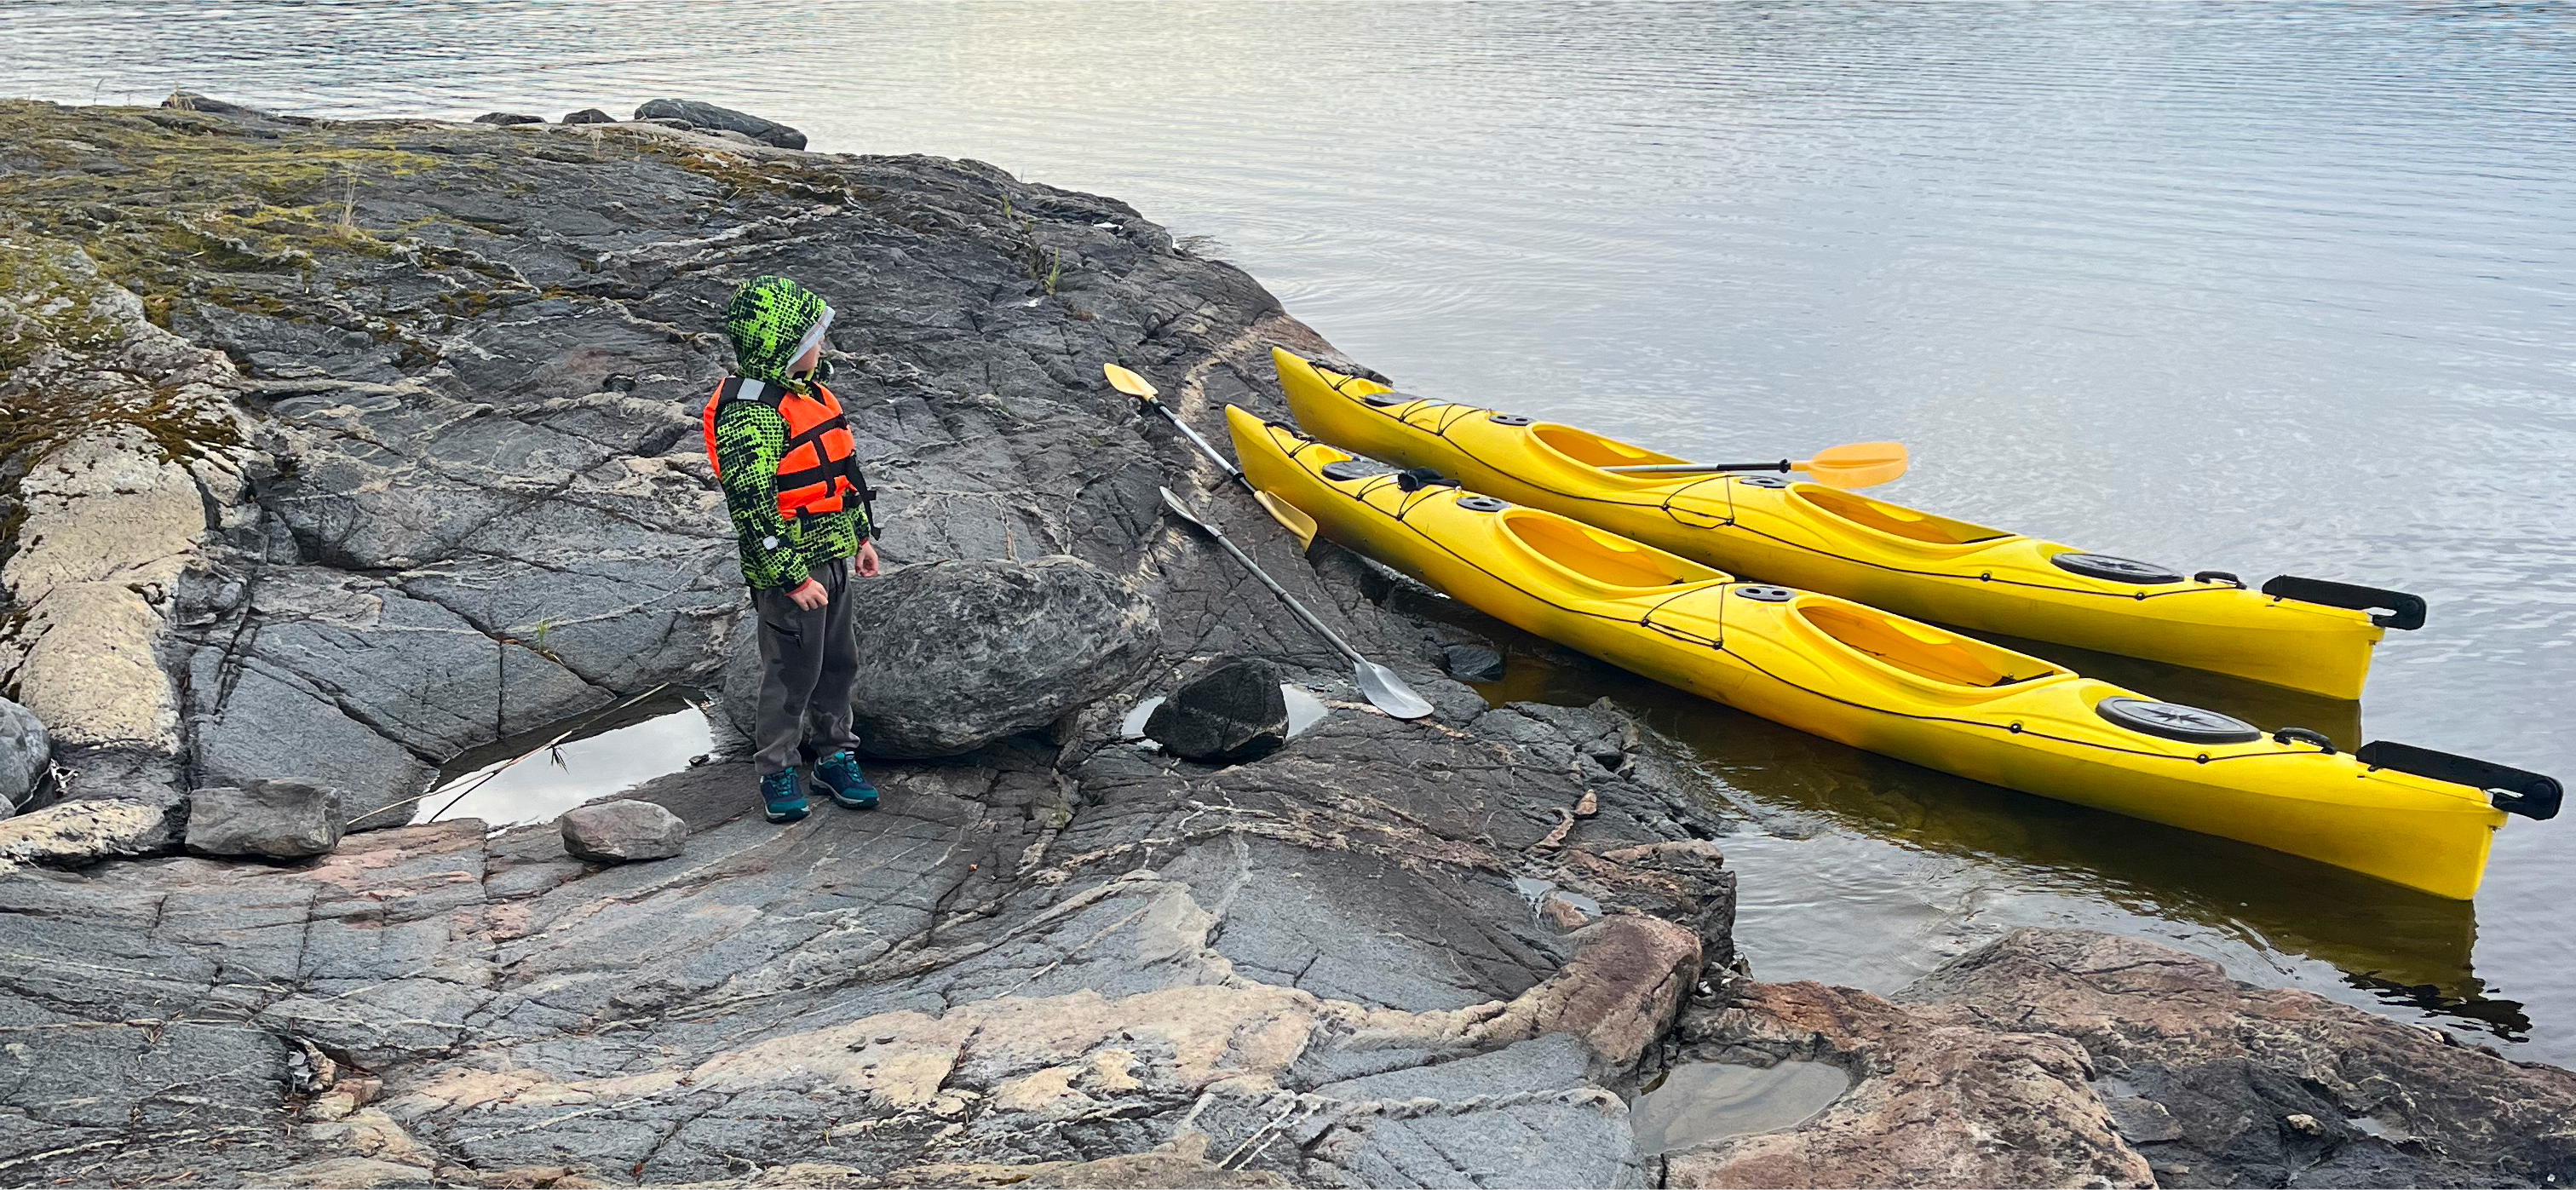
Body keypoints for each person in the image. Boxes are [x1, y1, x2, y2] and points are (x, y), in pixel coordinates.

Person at [704, 275, 883, 823]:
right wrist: (789, 576)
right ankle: (776, 770)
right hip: (791, 571)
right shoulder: (750, 413)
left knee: (838, 663)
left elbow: (843, 472)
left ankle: (835, 758)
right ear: (781, 345)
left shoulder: (814, 394)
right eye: (812, 338)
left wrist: (859, 536)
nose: (821, 347)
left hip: (831, 552)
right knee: (789, 674)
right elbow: (753, 506)